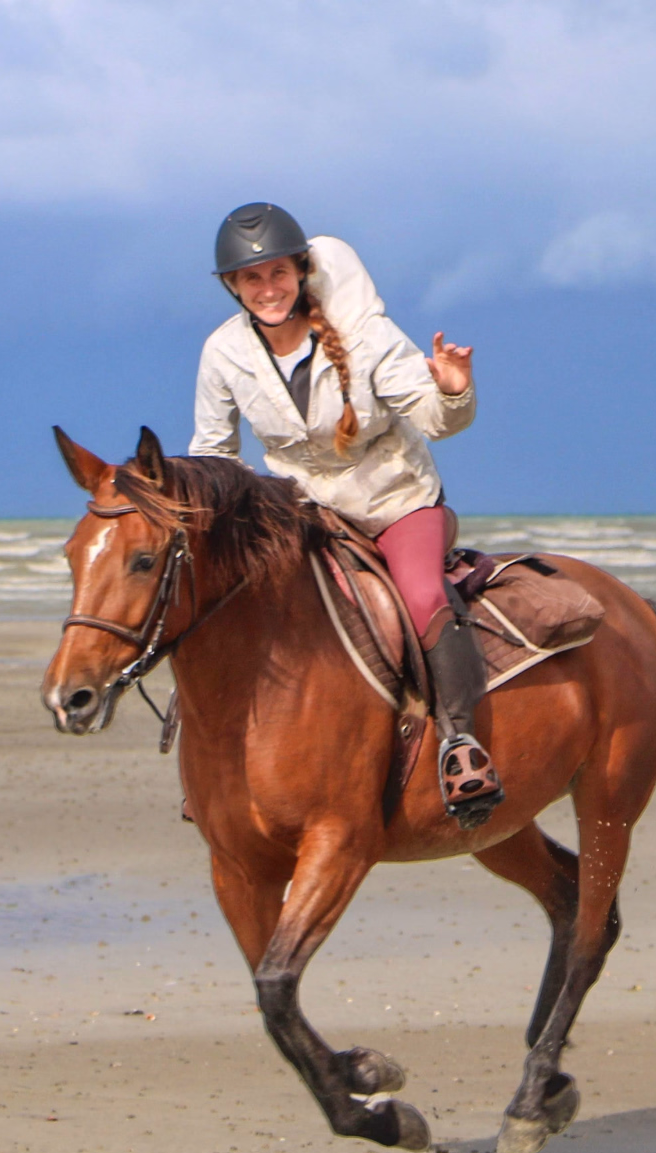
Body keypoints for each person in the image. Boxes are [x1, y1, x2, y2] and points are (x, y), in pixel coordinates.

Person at [190, 202, 502, 827]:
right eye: (252, 278)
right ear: (232, 286)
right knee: (223, 605)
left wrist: (451, 387)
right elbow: (212, 453)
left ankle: (462, 743)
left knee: (418, 594)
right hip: (300, 512)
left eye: (278, 272)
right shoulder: (222, 352)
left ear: (302, 271)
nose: (268, 288)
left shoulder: (364, 335)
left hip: (395, 502)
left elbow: (436, 422)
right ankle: (217, 760)